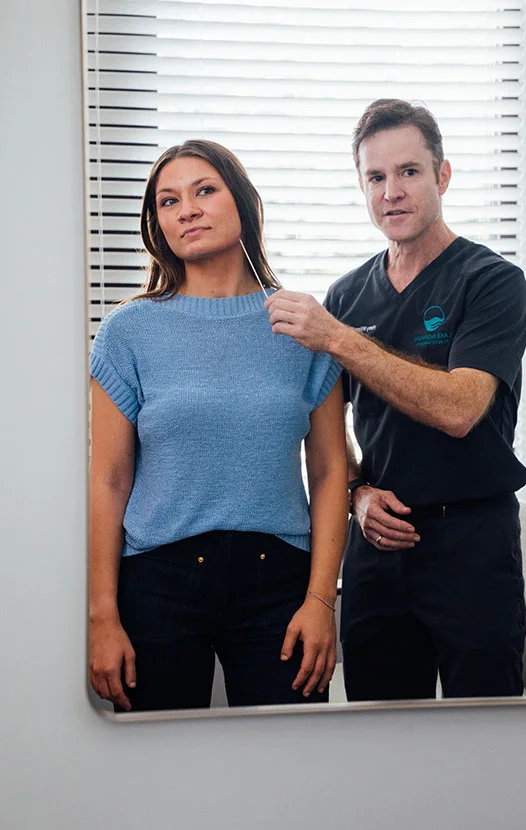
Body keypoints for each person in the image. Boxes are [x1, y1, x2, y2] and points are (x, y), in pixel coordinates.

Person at [265, 99, 526, 700]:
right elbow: (330, 441)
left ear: (442, 175)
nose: (392, 192)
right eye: (376, 177)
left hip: (470, 542)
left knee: (486, 733)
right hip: (377, 547)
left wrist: (335, 337)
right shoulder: (348, 293)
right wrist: (357, 494)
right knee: (378, 733)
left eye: (409, 171)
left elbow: (460, 409)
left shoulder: (491, 282)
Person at [88, 140, 348, 712]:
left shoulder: (304, 326)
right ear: (156, 224)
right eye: (168, 200)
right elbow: (108, 478)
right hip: (158, 581)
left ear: (244, 202)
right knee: (161, 771)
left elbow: (331, 472)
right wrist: (102, 615)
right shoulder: (129, 332)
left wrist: (321, 601)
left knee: (289, 763)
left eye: (205, 190)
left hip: (279, 583)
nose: (187, 209)